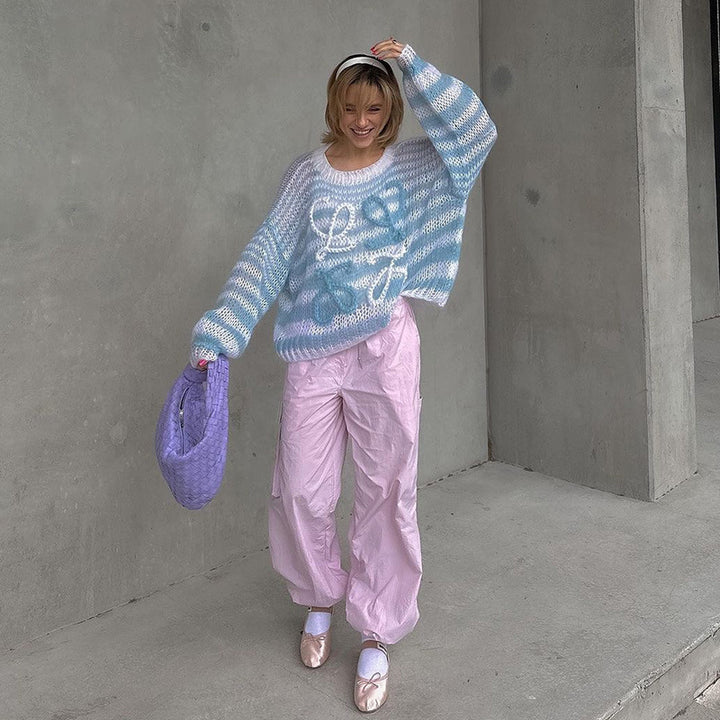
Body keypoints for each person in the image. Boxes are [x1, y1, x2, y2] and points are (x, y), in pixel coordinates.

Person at [189, 36, 497, 713]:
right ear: (335, 105)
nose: (363, 119)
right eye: (352, 106)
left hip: (385, 347)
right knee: (300, 489)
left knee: (388, 491)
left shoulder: (414, 166)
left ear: (392, 110)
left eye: (377, 107)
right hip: (310, 352)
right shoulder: (306, 176)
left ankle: (379, 631)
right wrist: (220, 329)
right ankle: (319, 597)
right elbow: (268, 253)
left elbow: (475, 132)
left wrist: (413, 67)